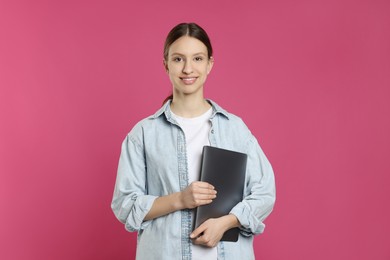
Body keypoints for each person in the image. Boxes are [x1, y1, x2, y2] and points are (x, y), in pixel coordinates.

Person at [111, 22, 276, 260]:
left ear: (210, 64)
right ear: (165, 64)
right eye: (178, 59)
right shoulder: (144, 134)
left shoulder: (235, 129)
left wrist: (226, 223)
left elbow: (264, 192)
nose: (188, 68)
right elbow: (125, 204)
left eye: (197, 59)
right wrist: (179, 199)